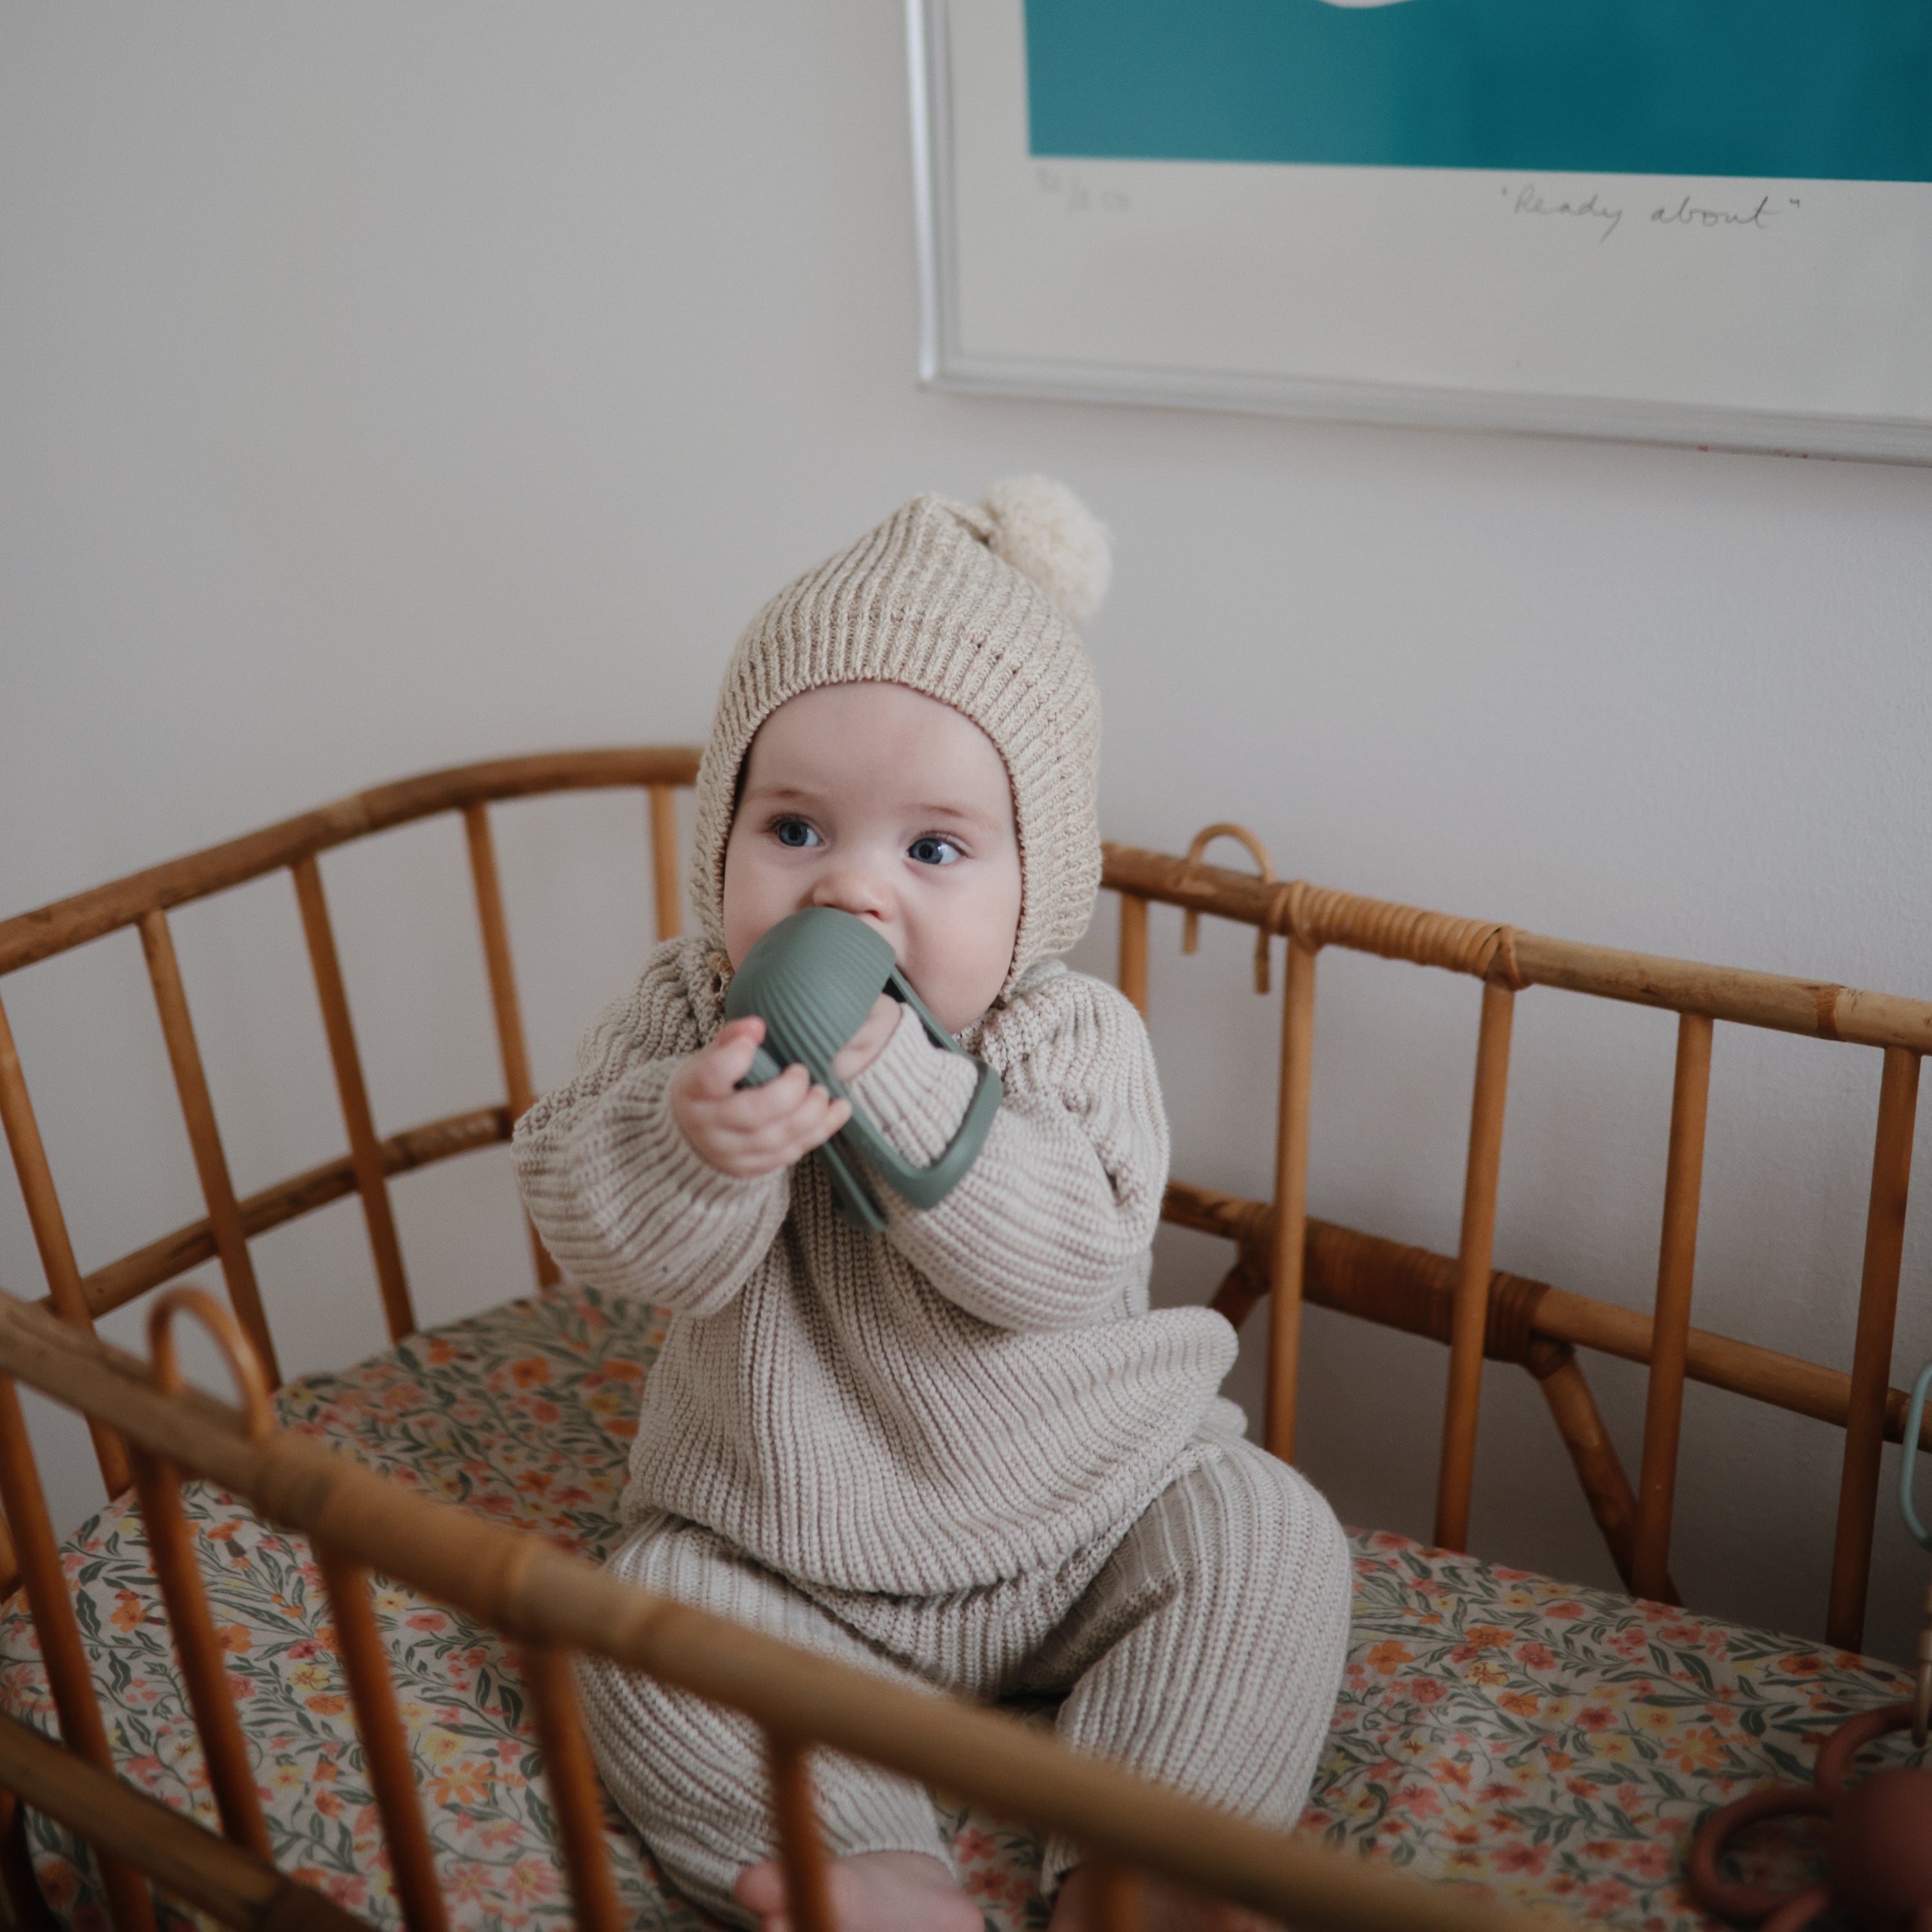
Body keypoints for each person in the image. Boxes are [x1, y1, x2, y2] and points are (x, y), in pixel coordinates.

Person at [511, 480, 1352, 1932]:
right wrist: (694, 1141)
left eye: (933, 850)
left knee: (1267, 1531)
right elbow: (582, 1210)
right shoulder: (685, 1017)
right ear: (720, 839)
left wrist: (906, 1086)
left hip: (1088, 1519)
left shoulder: (1070, 1034)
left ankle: (1152, 1866)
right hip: (783, 1550)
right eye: (794, 828)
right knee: (641, 1624)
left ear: (1038, 888)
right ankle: (872, 1873)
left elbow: (1070, 1257)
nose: (851, 892)